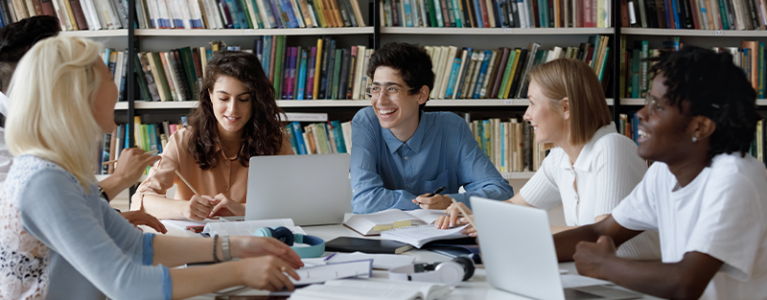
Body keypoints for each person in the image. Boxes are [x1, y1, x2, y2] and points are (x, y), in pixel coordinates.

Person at [0, 35, 304, 300]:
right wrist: (241, 270)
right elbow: (128, 283)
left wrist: (237, 245)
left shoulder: (60, 173)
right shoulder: (45, 181)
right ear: (80, 96)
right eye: (108, 77)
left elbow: (136, 246)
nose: (117, 87)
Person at [553, 46, 767, 299]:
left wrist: (604, 265)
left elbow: (686, 283)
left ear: (699, 127)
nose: (642, 114)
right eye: (647, 101)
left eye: (658, 107)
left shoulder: (735, 178)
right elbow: (601, 231)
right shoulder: (664, 172)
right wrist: (512, 250)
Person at [435, 58, 660, 260]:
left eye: (532, 103)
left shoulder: (612, 147)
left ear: (565, 107)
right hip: (597, 276)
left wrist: (506, 225)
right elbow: (515, 206)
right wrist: (471, 214)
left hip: (636, 283)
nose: (526, 115)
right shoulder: (559, 157)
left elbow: (600, 236)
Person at [0, 16, 164, 232]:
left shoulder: (51, 128)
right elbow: (32, 224)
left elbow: (64, 208)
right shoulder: (19, 147)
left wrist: (107, 219)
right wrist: (119, 180)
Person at [350, 42, 514, 214]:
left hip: (440, 234)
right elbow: (364, 201)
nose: (380, 100)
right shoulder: (366, 122)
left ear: (421, 95)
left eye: (392, 89)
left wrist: (450, 201)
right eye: (375, 89)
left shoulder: (451, 127)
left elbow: (500, 192)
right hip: (381, 236)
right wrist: (426, 204)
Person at [131, 51, 293, 220]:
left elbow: (294, 202)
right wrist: (184, 209)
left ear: (255, 100)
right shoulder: (182, 141)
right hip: (196, 242)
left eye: (243, 99)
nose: (232, 110)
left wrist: (244, 209)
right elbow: (141, 200)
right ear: (210, 96)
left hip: (254, 240)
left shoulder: (275, 142)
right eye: (223, 98)